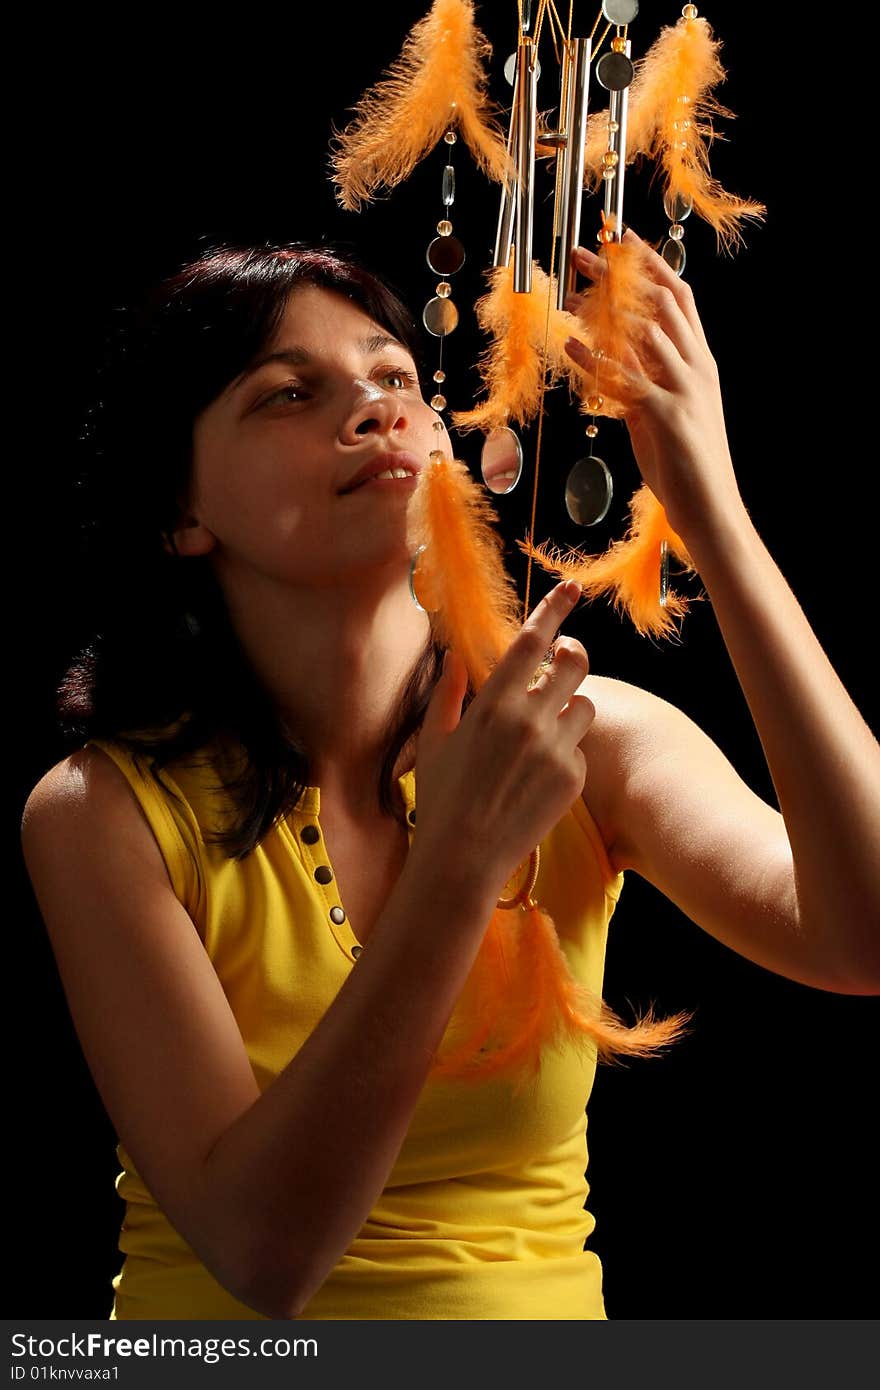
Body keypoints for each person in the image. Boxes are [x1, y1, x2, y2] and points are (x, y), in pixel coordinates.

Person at [20, 234, 880, 1322]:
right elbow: (262, 1251)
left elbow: (863, 935)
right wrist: (461, 857)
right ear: (181, 512)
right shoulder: (103, 814)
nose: (377, 410)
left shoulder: (582, 740)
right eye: (289, 393)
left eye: (395, 378)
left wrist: (716, 522)